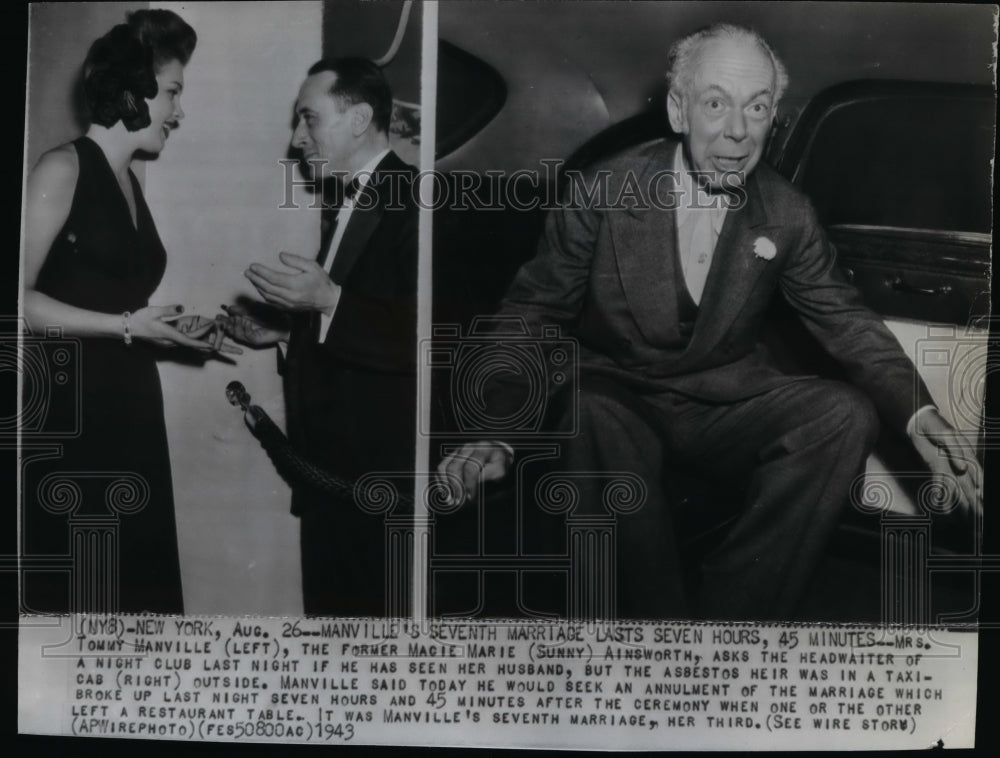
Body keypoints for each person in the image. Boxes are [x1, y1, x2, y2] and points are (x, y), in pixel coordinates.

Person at [437, 23, 982, 621]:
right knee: (592, 407)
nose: (738, 132)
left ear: (775, 116)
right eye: (716, 103)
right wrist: (494, 429)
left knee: (843, 414)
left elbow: (845, 319)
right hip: (621, 391)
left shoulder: (786, 213)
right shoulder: (602, 191)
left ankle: (734, 620)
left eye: (757, 107)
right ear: (678, 110)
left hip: (725, 400)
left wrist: (918, 413)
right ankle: (651, 627)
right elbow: (533, 313)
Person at [22, 9, 235, 614]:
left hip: (129, 400)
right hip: (74, 411)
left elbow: (112, 300)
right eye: (172, 91)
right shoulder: (62, 167)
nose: (178, 110)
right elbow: (14, 299)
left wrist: (165, 331)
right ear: (130, 92)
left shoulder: (129, 182)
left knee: (133, 585)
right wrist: (125, 326)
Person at [222, 58, 418, 617]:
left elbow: (433, 340)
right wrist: (289, 334)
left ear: (359, 120)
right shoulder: (353, 200)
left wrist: (328, 302)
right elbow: (364, 321)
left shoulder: (420, 204)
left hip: (374, 488)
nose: (296, 138)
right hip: (333, 481)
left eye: (309, 119)